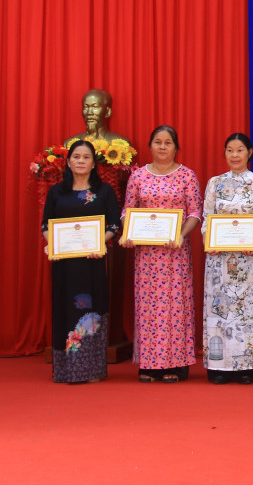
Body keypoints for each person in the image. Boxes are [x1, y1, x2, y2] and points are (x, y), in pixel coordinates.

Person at [121, 126, 203, 383]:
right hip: (146, 255)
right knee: (148, 307)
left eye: (168, 142)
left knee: (174, 307)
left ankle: (176, 363)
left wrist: (181, 235)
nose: (163, 147)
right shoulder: (138, 176)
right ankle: (149, 363)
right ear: (150, 146)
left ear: (176, 147)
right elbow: (127, 211)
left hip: (175, 252)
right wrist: (128, 232)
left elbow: (195, 212)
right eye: (158, 142)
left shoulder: (187, 176)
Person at [41, 140, 121, 383]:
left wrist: (100, 243)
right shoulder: (56, 191)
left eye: (86, 157)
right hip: (64, 264)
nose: (81, 161)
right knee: (64, 309)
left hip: (91, 263)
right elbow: (46, 225)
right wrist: (52, 244)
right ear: (68, 161)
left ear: (94, 163)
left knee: (90, 312)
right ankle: (65, 370)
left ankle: (92, 369)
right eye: (76, 157)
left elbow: (114, 224)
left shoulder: (104, 191)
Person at [202, 133, 253, 385]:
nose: (235, 155)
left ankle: (248, 367)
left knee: (247, 314)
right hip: (219, 262)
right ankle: (219, 367)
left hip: (249, 261)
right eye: (230, 150)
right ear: (224, 153)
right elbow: (207, 216)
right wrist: (209, 241)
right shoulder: (215, 183)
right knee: (220, 312)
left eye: (240, 150)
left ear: (249, 152)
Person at [64, 89, 130, 146]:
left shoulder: (121, 144)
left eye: (95, 107)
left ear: (107, 112)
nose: (89, 112)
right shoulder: (70, 143)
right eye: (86, 107)